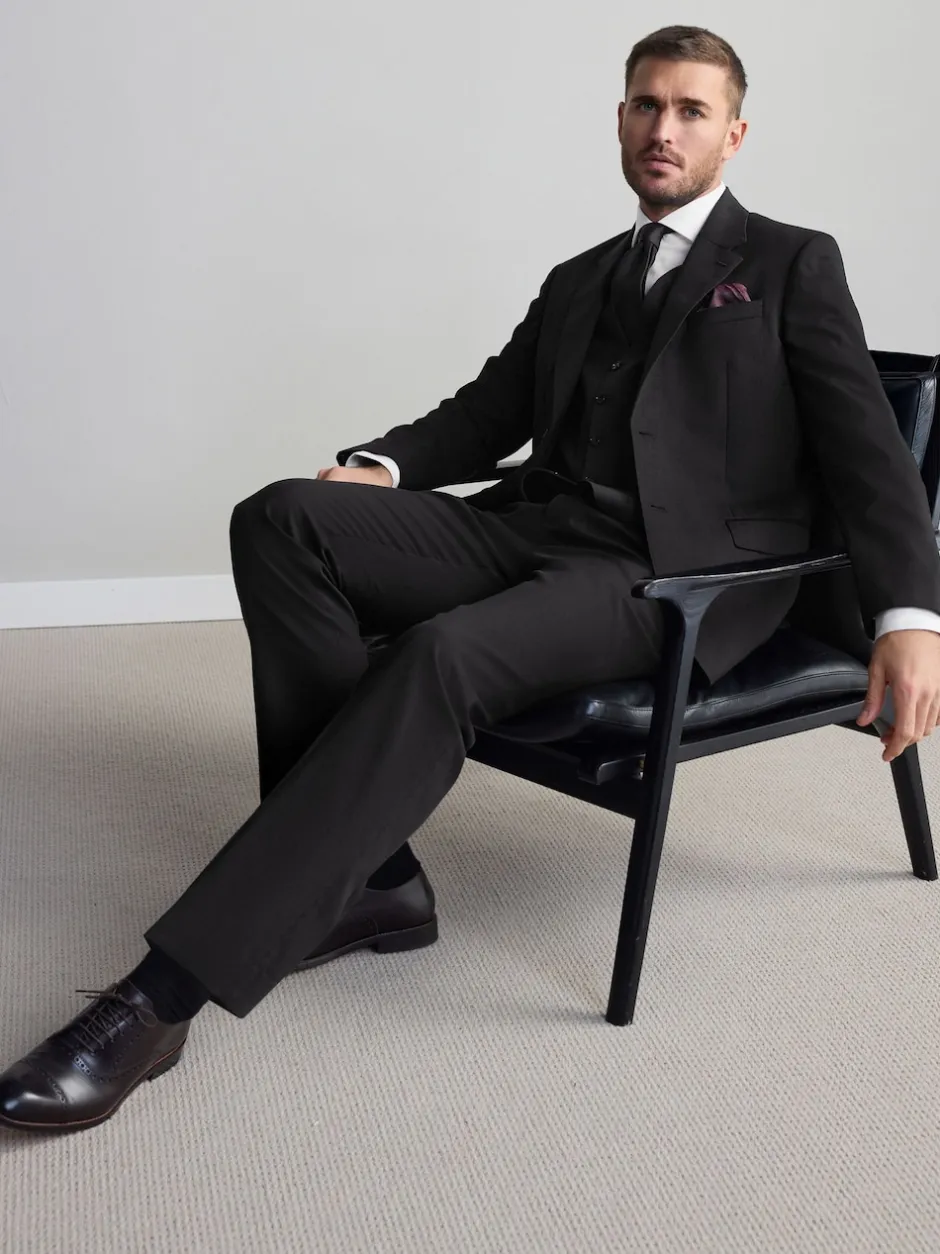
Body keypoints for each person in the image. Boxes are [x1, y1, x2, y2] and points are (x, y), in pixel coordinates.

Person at [3, 23, 940, 1135]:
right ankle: (367, 879)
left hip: (666, 577)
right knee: (285, 518)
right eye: (646, 105)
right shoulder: (581, 277)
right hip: (533, 528)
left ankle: (160, 1000)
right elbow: (486, 412)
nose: (664, 128)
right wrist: (384, 465)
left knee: (443, 656)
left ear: (733, 136)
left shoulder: (790, 263)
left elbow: (869, 455)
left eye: (692, 111)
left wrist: (909, 614)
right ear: (619, 120)